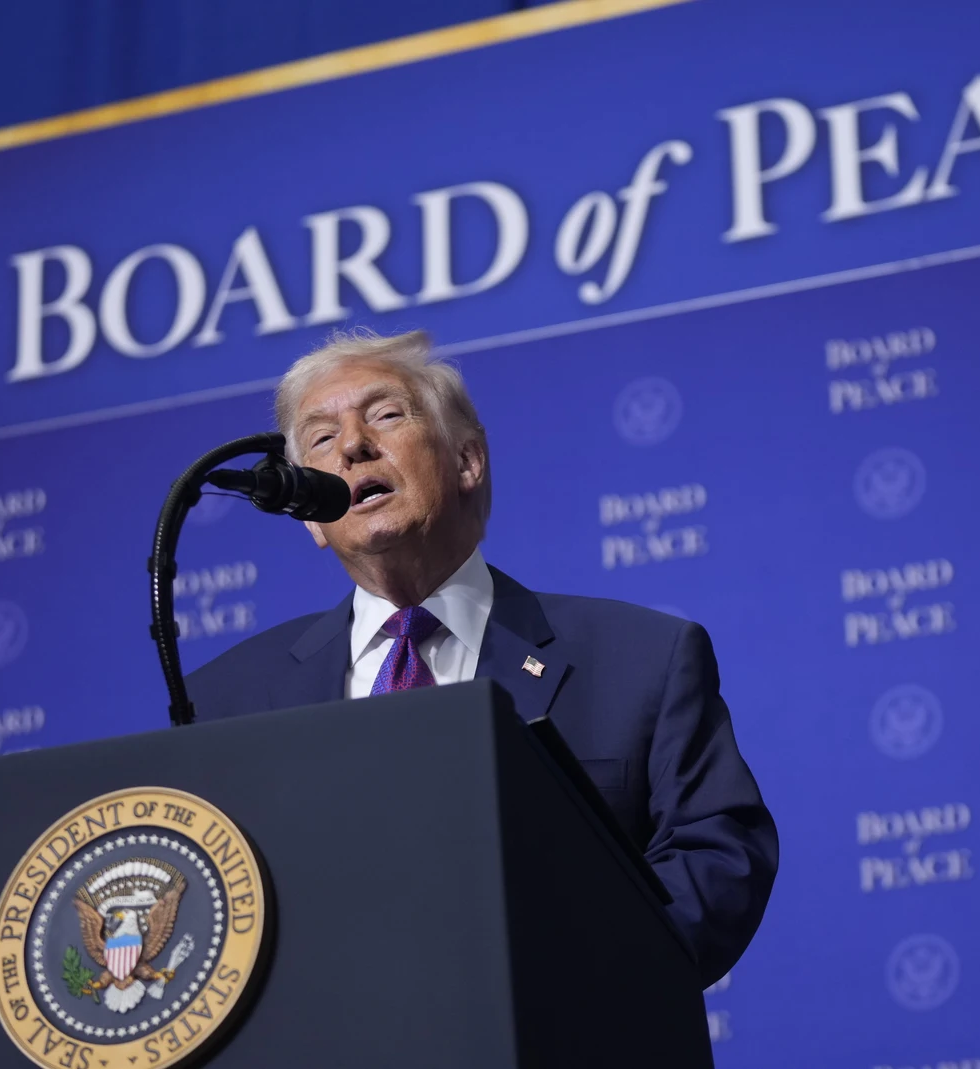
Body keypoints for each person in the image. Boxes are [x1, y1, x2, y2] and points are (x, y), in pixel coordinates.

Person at [186, 329, 776, 984]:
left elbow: (718, 858)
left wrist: (556, 979)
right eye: (321, 438)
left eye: (385, 414)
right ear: (309, 518)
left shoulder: (641, 659)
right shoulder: (226, 703)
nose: (353, 445)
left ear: (468, 460)